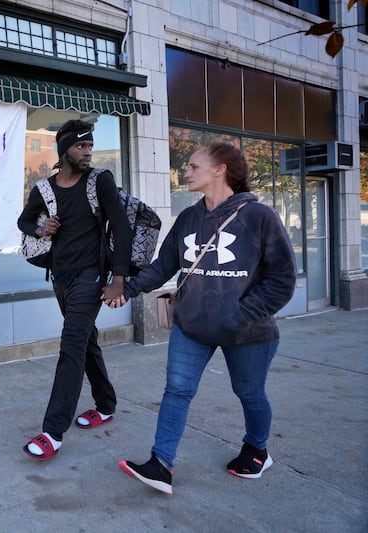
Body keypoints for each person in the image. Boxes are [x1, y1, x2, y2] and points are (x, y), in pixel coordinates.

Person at [104, 142, 296, 494]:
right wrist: (126, 290)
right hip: (191, 325)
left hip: (248, 332)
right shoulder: (189, 218)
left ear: (220, 169)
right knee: (177, 390)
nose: (186, 172)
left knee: (249, 392)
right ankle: (161, 464)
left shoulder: (259, 217)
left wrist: (242, 314)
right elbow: (164, 266)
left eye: (194, 166)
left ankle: (257, 448)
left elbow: (282, 279)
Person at [17, 119, 132, 460]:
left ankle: (52, 433)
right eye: (81, 146)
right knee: (85, 339)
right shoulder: (46, 189)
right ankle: (106, 404)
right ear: (64, 149)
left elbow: (122, 229)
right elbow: (24, 220)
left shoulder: (100, 181)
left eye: (90, 146)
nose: (88, 152)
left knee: (71, 344)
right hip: (61, 276)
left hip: (92, 275)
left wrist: (118, 280)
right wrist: (41, 227)